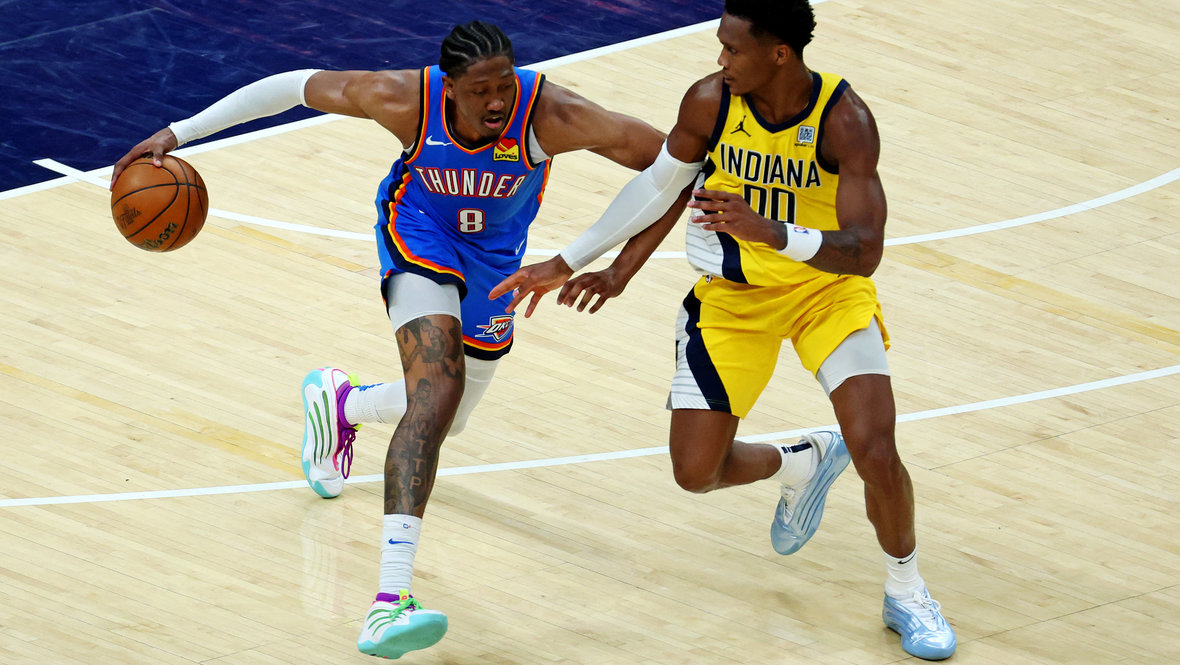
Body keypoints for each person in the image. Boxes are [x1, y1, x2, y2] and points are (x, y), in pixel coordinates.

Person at [111, 20, 685, 660]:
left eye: (504, 84)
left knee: (451, 418)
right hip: (418, 236)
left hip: (496, 264)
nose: (497, 101)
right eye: (480, 91)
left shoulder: (552, 114)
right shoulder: (404, 99)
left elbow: (673, 167)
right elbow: (293, 86)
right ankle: (390, 602)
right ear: (449, 87)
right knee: (436, 395)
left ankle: (342, 404)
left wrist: (595, 263)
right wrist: (179, 133)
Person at [490, 0, 957, 660]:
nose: (720, 59)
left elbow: (865, 251)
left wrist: (771, 233)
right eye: (721, 44)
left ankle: (906, 591)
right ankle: (803, 461)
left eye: (733, 49)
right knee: (696, 471)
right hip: (732, 302)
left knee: (876, 447)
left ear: (779, 54)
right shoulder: (710, 101)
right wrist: (576, 263)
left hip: (826, 293)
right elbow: (660, 187)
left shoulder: (844, 120)